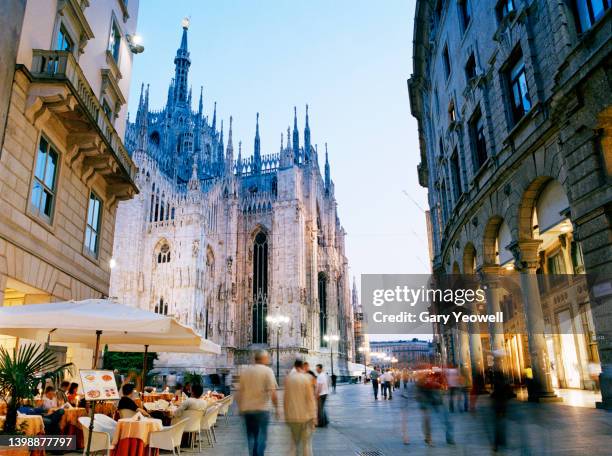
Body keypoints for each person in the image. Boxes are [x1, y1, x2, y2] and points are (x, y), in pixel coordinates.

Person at [237, 349, 279, 456]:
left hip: (248, 410)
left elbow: (240, 392)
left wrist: (240, 407)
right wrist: (277, 408)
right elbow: (273, 392)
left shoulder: (245, 371)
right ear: (264, 359)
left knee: (251, 437)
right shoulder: (267, 371)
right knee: (261, 437)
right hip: (262, 410)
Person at [284, 360, 317, 456]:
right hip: (305, 417)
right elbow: (311, 400)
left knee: (293, 444)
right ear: (302, 366)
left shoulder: (288, 379)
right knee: (306, 444)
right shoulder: (307, 378)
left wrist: (286, 415)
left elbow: (286, 399)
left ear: (294, 366)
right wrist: (314, 417)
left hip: (293, 416)